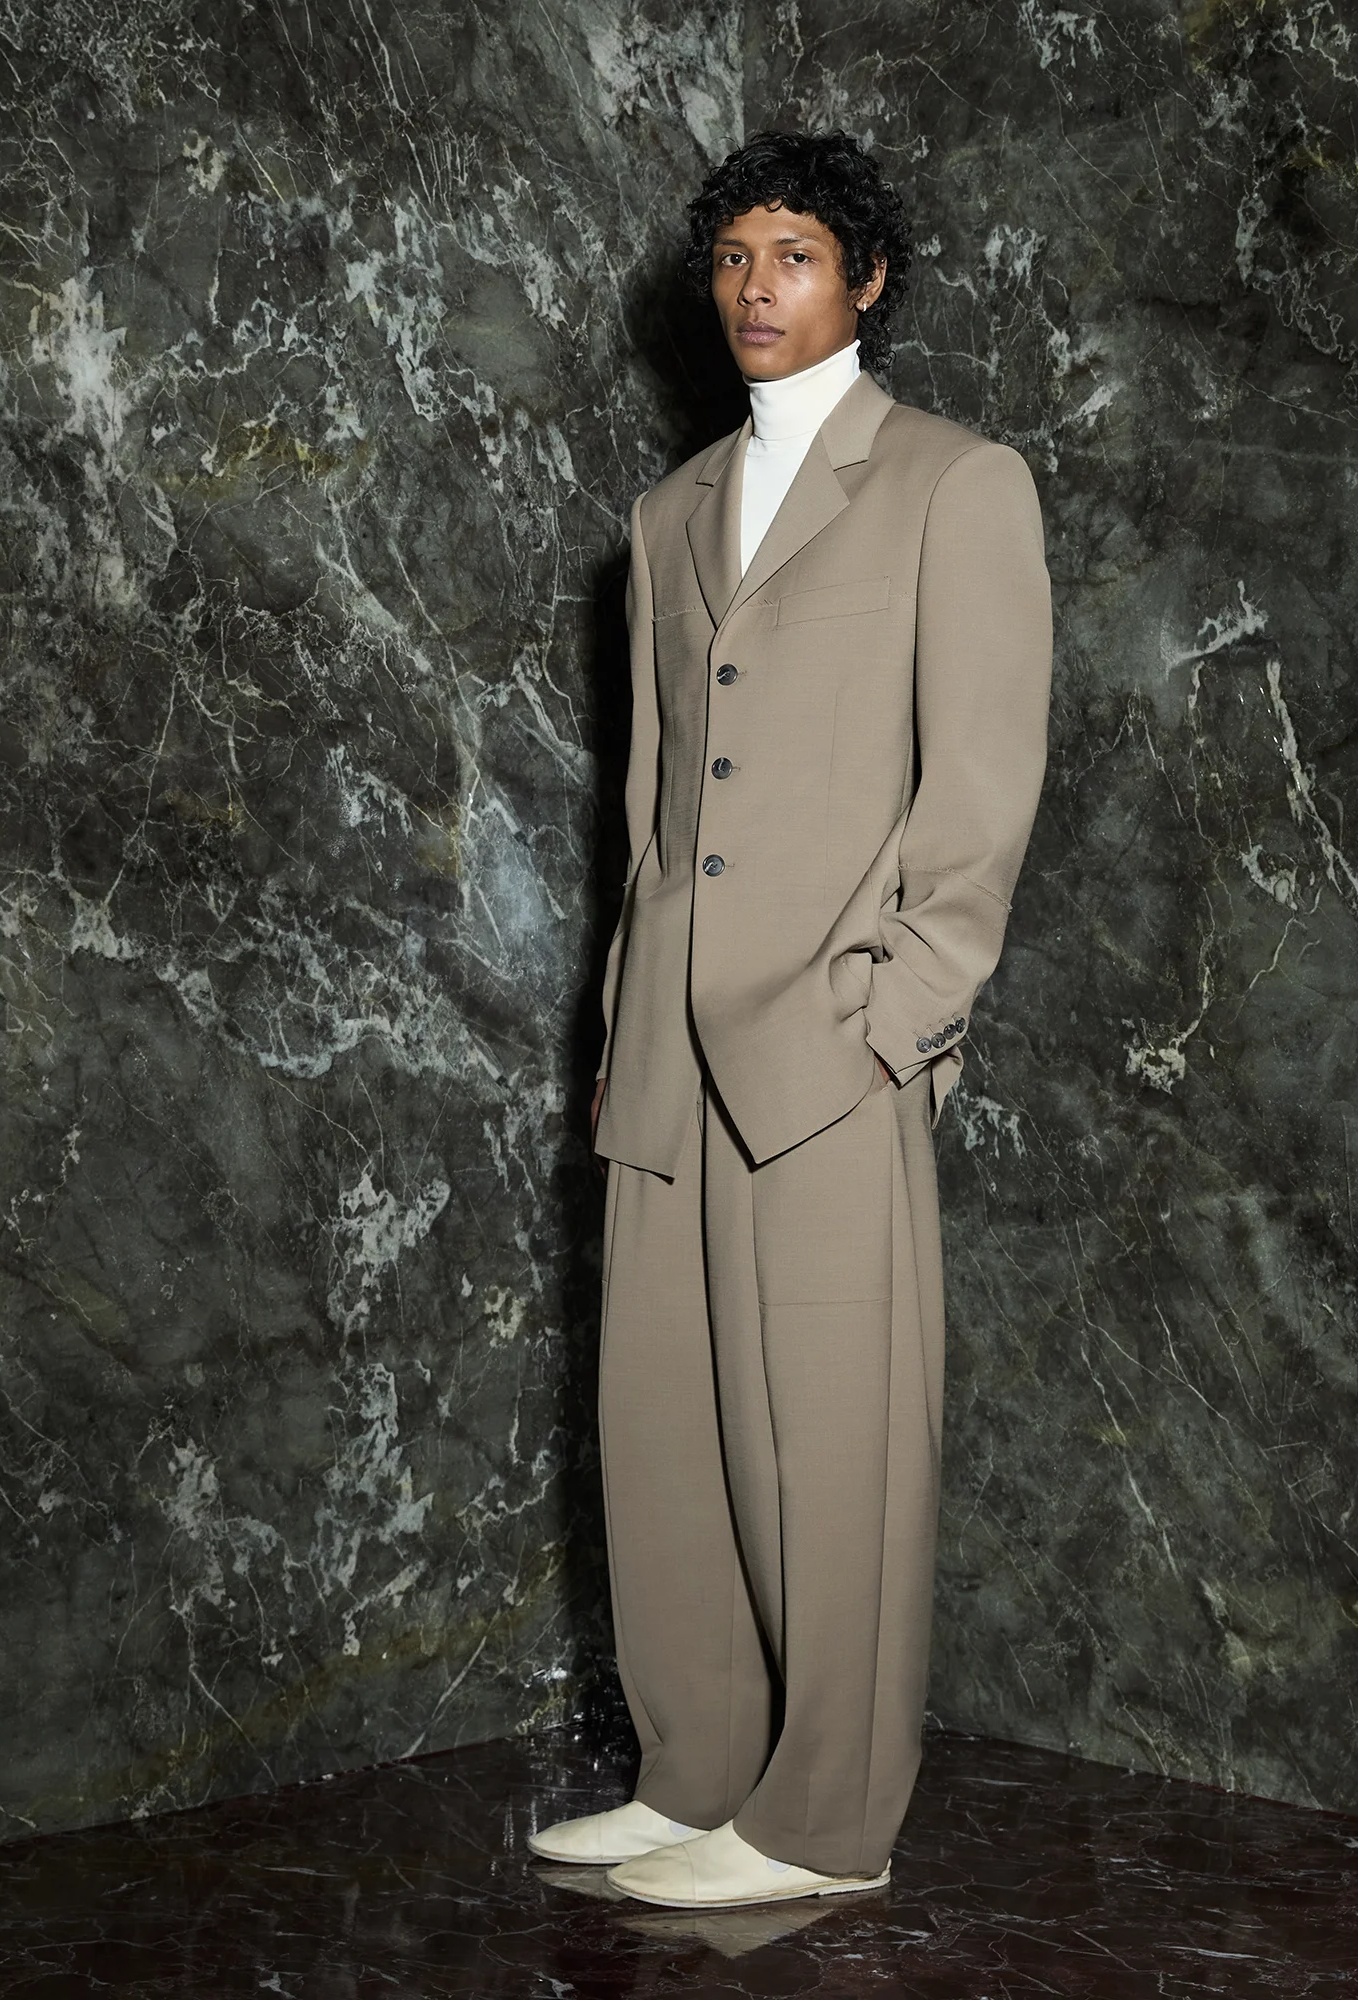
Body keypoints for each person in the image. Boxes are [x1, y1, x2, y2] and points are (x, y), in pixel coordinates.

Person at [529, 129, 1053, 1910]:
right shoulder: (670, 513)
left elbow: (980, 791)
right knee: (661, 1424)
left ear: (868, 279)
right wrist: (625, 1026)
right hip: (669, 1052)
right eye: (736, 258)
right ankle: (695, 1776)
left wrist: (896, 1018)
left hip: (832, 1043)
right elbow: (656, 807)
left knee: (834, 1449)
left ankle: (823, 1824)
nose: (758, 289)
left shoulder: (956, 485)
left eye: (798, 256)